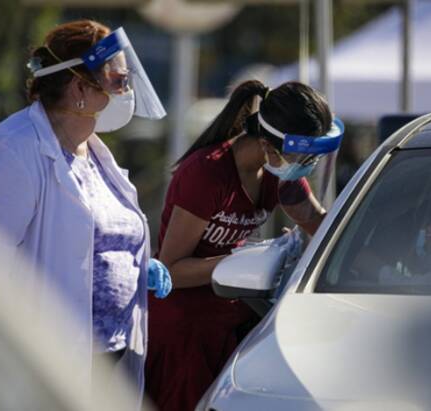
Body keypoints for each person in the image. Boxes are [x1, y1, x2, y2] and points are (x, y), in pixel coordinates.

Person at [0, 20, 171, 407]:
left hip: (111, 354)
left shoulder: (93, 152)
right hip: (48, 361)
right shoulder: (10, 151)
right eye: (118, 81)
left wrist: (137, 265)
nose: (126, 92)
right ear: (78, 88)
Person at [144, 80, 344, 410]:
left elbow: (320, 226)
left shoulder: (281, 169)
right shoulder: (207, 173)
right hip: (182, 333)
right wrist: (249, 260)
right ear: (267, 144)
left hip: (230, 323)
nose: (306, 165)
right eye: (303, 156)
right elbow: (172, 270)